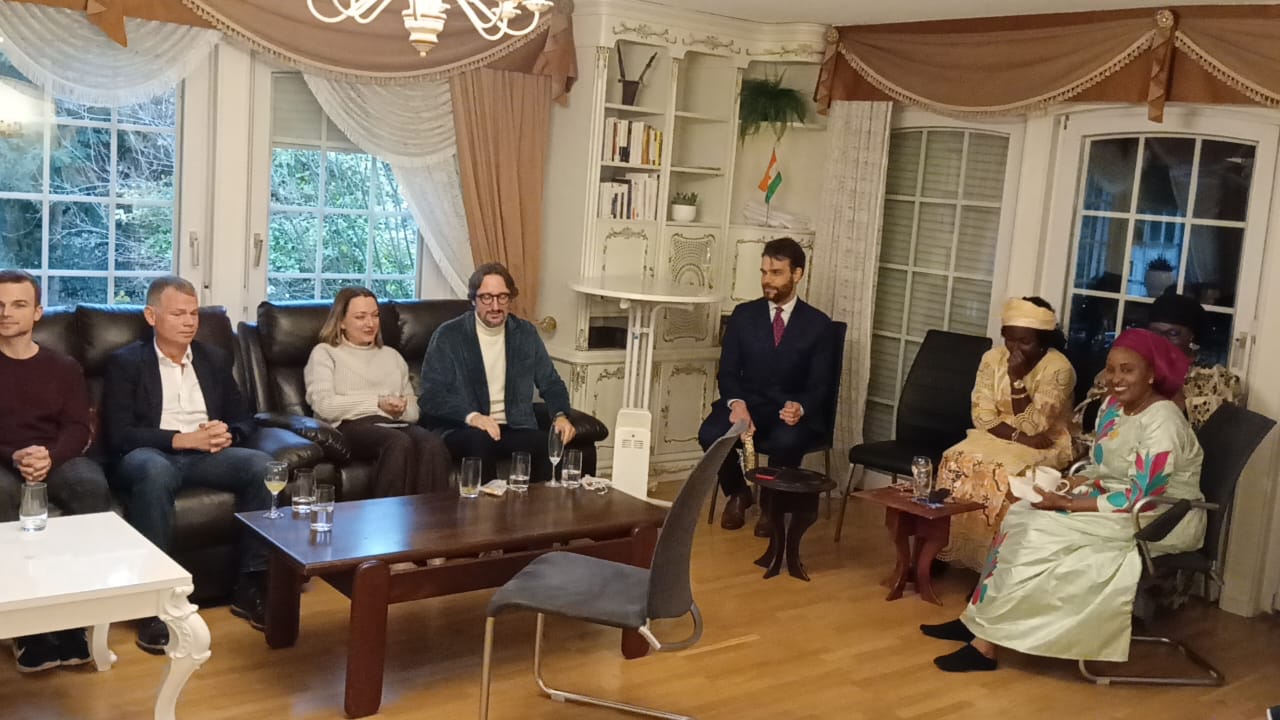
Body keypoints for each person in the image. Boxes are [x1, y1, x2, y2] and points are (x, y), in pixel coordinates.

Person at [923, 328, 1204, 672]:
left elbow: (1142, 494)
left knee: (1039, 532)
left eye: (1127, 370)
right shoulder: (1114, 408)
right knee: (1021, 514)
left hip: (1161, 516)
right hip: (1117, 499)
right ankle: (978, 620)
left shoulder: (1163, 422)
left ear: (1151, 374)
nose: (1116, 379)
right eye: (1111, 369)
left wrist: (1068, 504)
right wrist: (1065, 485)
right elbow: (1101, 468)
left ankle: (985, 646)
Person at [102, 276, 272, 654]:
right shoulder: (126, 363)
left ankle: (251, 585)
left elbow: (244, 417)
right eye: (178, 313)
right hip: (149, 454)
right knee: (155, 471)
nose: (189, 322)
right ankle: (154, 606)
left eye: (194, 313)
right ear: (152, 316)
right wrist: (181, 439)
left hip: (206, 456)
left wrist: (229, 433)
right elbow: (119, 435)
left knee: (262, 466)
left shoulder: (213, 358)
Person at [0, 270, 111, 673]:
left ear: (37, 312)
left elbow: (78, 427)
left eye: (18, 304)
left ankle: (73, 622)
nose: (6, 313)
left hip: (56, 456)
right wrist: (15, 456)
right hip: (4, 460)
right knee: (5, 495)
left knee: (90, 486)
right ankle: (25, 629)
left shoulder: (63, 367)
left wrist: (49, 457)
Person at [697, 237, 834, 534]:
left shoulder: (819, 325)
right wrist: (737, 404)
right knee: (710, 434)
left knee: (787, 442)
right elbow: (727, 372)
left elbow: (821, 384)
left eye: (776, 273)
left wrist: (801, 407)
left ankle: (772, 508)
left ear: (797, 274)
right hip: (747, 404)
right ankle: (738, 493)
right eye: (763, 272)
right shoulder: (743, 316)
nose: (767, 280)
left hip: (788, 412)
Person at [936, 297, 1076, 570]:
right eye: (1010, 339)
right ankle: (942, 547)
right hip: (1001, 435)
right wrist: (1019, 438)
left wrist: (1016, 380)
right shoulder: (992, 358)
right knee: (954, 459)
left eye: (1025, 342)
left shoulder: (1059, 369)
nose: (1015, 348)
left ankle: (992, 566)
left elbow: (1036, 426)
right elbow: (982, 414)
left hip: (1047, 442)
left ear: (1043, 341)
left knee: (1003, 473)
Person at [420, 263, 575, 482]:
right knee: (480, 440)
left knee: (548, 444)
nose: (495, 306)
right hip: (464, 428)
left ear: (510, 299)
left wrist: (560, 416)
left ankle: (540, 505)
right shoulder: (449, 335)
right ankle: (485, 504)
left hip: (515, 427)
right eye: (486, 298)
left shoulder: (525, 333)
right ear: (473, 300)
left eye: (502, 297)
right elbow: (430, 396)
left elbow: (551, 383)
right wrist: (472, 417)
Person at [305, 287, 450, 496]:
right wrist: (377, 403)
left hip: (394, 423)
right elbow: (324, 406)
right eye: (360, 317)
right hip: (348, 427)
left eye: (375, 315)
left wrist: (401, 409)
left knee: (433, 444)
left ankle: (432, 514)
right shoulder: (325, 353)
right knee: (398, 443)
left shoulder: (392, 356)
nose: (370, 323)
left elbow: (414, 411)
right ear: (341, 322)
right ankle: (387, 514)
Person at [1075, 287, 1242, 440]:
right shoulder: (1128, 368)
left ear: (1192, 337)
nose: (1161, 340)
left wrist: (1172, 398)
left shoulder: (1216, 378)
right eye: (1155, 332)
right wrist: (1108, 398)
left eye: (1173, 333)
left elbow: (1219, 438)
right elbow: (1082, 421)